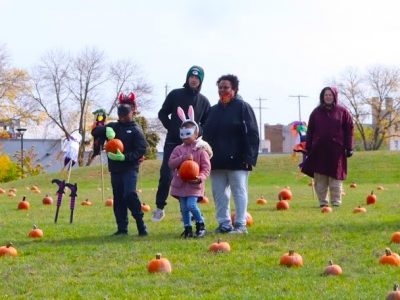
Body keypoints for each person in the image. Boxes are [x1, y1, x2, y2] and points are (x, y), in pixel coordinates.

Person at [153, 65, 211, 222]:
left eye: (197, 78)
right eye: (191, 77)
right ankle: (159, 207)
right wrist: (172, 128)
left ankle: (188, 210)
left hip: (193, 146)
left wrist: (198, 132)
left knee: (189, 174)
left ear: (200, 81)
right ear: (187, 78)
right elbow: (162, 113)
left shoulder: (204, 101)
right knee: (166, 174)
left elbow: (208, 122)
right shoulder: (175, 94)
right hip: (173, 142)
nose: (194, 80)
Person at [203, 74, 259, 234]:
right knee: (219, 194)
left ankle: (240, 224)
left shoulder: (243, 108)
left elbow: (252, 134)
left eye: (226, 87)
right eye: (220, 87)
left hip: (238, 160)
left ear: (234, 89)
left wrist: (250, 157)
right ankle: (224, 224)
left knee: (239, 191)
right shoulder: (213, 111)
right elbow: (206, 137)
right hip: (217, 161)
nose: (223, 90)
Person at [92, 92, 148, 236]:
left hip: (129, 168)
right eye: (120, 115)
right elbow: (95, 132)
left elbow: (141, 150)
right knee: (118, 198)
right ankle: (122, 228)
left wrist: (125, 157)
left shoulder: (136, 130)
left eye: (125, 115)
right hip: (115, 169)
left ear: (132, 112)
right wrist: (104, 129)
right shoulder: (114, 126)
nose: (122, 118)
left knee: (129, 194)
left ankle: (141, 224)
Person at [301, 86, 354, 207]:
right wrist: (308, 147)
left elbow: (349, 130)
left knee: (335, 177)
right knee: (320, 178)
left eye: (330, 95)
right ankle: (323, 202)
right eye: (326, 95)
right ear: (322, 97)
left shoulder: (343, 112)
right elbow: (310, 131)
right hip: (319, 150)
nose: (328, 97)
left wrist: (349, 147)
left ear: (334, 96)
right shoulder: (316, 113)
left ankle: (336, 201)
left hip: (336, 150)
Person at [168, 106, 211, 238]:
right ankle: (187, 228)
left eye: (189, 134)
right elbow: (171, 164)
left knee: (191, 205)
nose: (185, 138)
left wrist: (201, 177)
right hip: (180, 184)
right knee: (184, 208)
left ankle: (200, 224)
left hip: (194, 184)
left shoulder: (200, 150)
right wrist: (182, 159)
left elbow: (206, 167)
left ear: (196, 134)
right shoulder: (178, 150)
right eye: (183, 134)